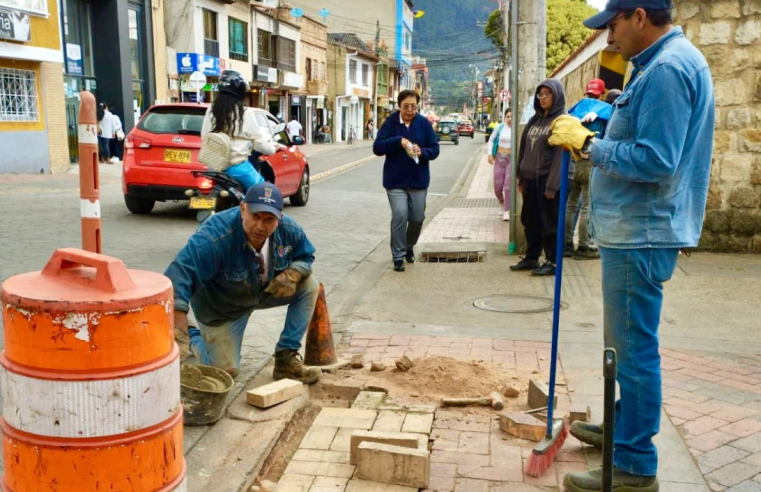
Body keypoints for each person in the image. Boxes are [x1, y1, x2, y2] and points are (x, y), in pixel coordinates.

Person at [548, 2, 715, 491]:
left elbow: (657, 160)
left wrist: (588, 145)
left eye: (613, 26)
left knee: (635, 349)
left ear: (639, 16)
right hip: (638, 229)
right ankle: (622, 428)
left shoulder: (666, 69)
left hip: (641, 231)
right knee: (624, 344)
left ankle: (635, 465)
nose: (607, 39)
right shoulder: (660, 66)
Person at [165, 182, 322, 384]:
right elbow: (179, 273)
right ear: (242, 209)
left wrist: (293, 272)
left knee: (309, 285)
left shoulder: (289, 230)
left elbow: (306, 256)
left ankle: (286, 359)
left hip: (261, 292)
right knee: (224, 371)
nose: (260, 226)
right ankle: (194, 334)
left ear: (279, 219)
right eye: (255, 216)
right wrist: (178, 319)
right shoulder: (214, 237)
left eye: (268, 219)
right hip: (220, 308)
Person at [509, 79, 573, 277]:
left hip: (550, 180)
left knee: (550, 222)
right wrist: (521, 176)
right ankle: (531, 257)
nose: (543, 98)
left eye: (547, 94)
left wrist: (553, 186)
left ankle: (552, 262)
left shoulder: (562, 120)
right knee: (530, 220)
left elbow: (561, 157)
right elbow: (524, 148)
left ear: (557, 96)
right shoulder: (535, 119)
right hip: (531, 180)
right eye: (540, 94)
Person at [373, 89, 440, 272]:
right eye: (406, 106)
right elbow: (377, 147)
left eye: (413, 107)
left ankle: (409, 245)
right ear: (399, 106)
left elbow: (435, 149)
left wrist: (423, 152)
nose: (409, 110)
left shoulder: (424, 124)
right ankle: (398, 256)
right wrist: (399, 141)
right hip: (395, 181)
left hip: (418, 181)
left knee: (417, 218)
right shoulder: (391, 122)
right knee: (400, 215)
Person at [201, 70, 283, 191]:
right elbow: (258, 142)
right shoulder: (245, 112)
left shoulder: (211, 110)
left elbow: (204, 136)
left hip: (214, 168)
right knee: (263, 192)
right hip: (237, 167)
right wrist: (272, 149)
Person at [564, 79, 614, 260]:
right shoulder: (606, 110)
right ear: (601, 93)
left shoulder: (577, 108)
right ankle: (584, 247)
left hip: (571, 163)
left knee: (570, 205)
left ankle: (566, 245)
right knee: (587, 207)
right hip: (590, 163)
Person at [486, 108, 513, 221]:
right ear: (505, 117)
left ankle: (507, 210)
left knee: (508, 186)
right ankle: (501, 202)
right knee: (497, 187)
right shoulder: (500, 127)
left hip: (511, 159)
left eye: (512, 116)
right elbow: (491, 140)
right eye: (507, 116)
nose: (509, 119)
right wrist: (489, 154)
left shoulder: (517, 129)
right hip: (499, 157)